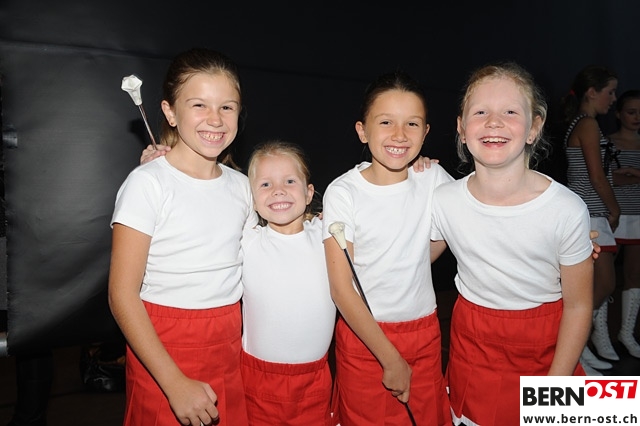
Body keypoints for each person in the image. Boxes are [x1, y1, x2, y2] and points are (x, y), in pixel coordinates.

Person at [430, 62, 593, 426]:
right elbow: (408, 260)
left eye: (510, 112)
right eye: (480, 112)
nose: (493, 122)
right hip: (473, 345)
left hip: (547, 348)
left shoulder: (567, 209)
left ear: (534, 128)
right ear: (461, 128)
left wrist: (556, 387)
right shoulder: (443, 199)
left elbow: (579, 305)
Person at [108, 48, 257, 426]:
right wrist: (173, 382)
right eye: (199, 105)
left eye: (227, 107)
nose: (215, 119)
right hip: (162, 348)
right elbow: (121, 295)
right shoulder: (147, 184)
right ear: (171, 112)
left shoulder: (242, 186)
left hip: (229, 343)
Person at [322, 70, 453, 426]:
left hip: (424, 334)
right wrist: (390, 358)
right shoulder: (343, 192)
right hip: (365, 336)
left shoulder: (433, 178)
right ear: (362, 130)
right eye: (385, 122)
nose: (399, 134)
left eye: (412, 124)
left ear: (425, 132)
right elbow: (340, 288)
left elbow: (472, 221)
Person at [239, 140, 336, 425]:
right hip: (259, 380)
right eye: (265, 184)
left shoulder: (327, 235)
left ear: (309, 193)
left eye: (290, 181)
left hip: (315, 380)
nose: (278, 190)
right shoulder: (247, 240)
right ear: (251, 199)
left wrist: (416, 170)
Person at [561, 65, 621, 372]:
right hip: (591, 213)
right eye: (610, 92)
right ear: (592, 92)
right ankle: (574, 347)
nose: (614, 98)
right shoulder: (587, 124)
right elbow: (596, 177)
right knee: (603, 284)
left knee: (601, 285)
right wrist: (615, 208)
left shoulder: (584, 123)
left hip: (591, 211)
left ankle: (581, 347)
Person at [607, 89, 640, 358]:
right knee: (604, 280)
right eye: (631, 112)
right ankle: (599, 335)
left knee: (634, 276)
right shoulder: (608, 142)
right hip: (613, 216)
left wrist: (632, 174)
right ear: (618, 114)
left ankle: (626, 333)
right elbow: (602, 179)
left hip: (638, 216)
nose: (637, 117)